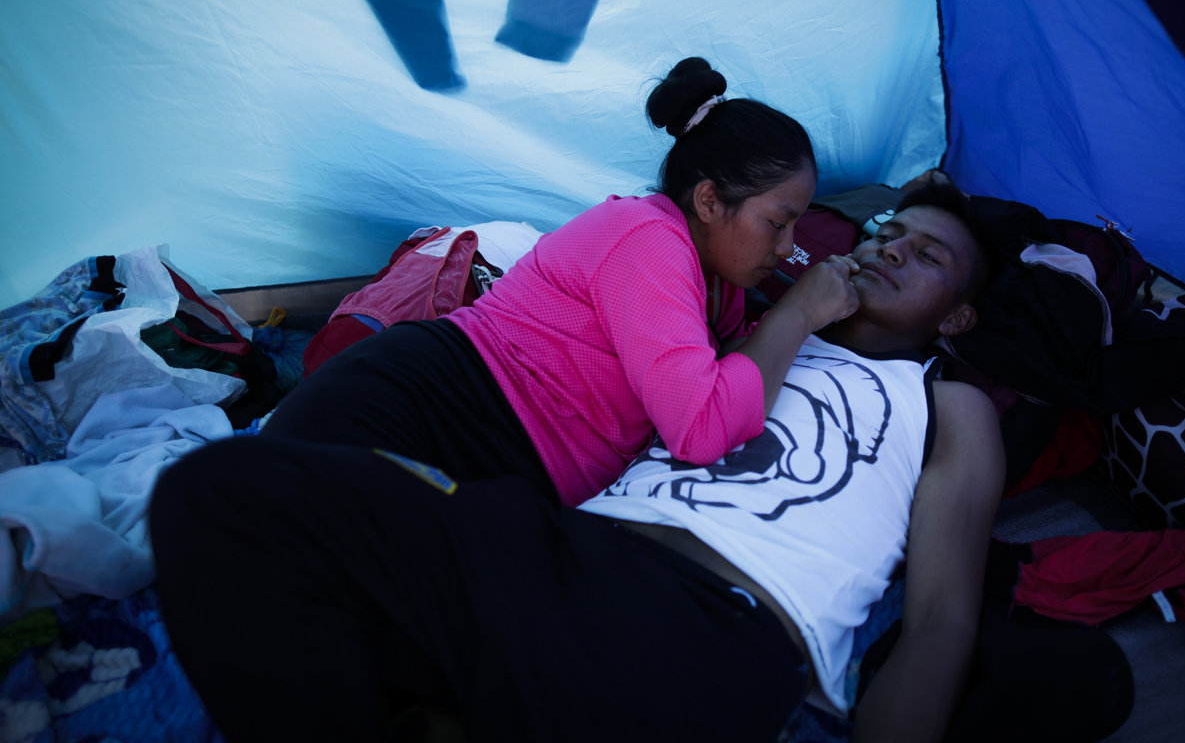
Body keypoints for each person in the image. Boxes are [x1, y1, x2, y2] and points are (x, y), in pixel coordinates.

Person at [150, 183, 1006, 743]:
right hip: (551, 545)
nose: (890, 247)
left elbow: (940, 622)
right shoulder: (745, 334)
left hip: (711, 627)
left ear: (959, 319)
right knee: (221, 492)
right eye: (887, 230)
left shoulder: (944, 406)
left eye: (926, 254)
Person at [260, 56, 856, 506]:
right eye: (778, 223)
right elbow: (700, 426)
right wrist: (797, 313)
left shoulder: (717, 279)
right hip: (425, 412)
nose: (787, 248)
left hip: (495, 454)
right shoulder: (647, 239)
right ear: (707, 199)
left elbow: (729, 367)